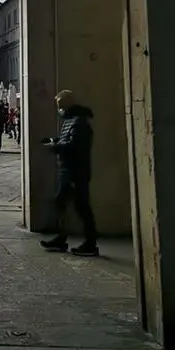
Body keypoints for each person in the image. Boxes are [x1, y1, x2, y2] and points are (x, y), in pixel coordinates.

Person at [39, 89, 99, 256]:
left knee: (82, 207)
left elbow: (75, 147)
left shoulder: (79, 122)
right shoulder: (70, 121)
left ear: (67, 105)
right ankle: (61, 239)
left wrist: (54, 147)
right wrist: (54, 140)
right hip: (68, 170)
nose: (59, 110)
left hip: (75, 172)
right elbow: (68, 140)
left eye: (60, 106)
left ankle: (90, 243)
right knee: (62, 204)